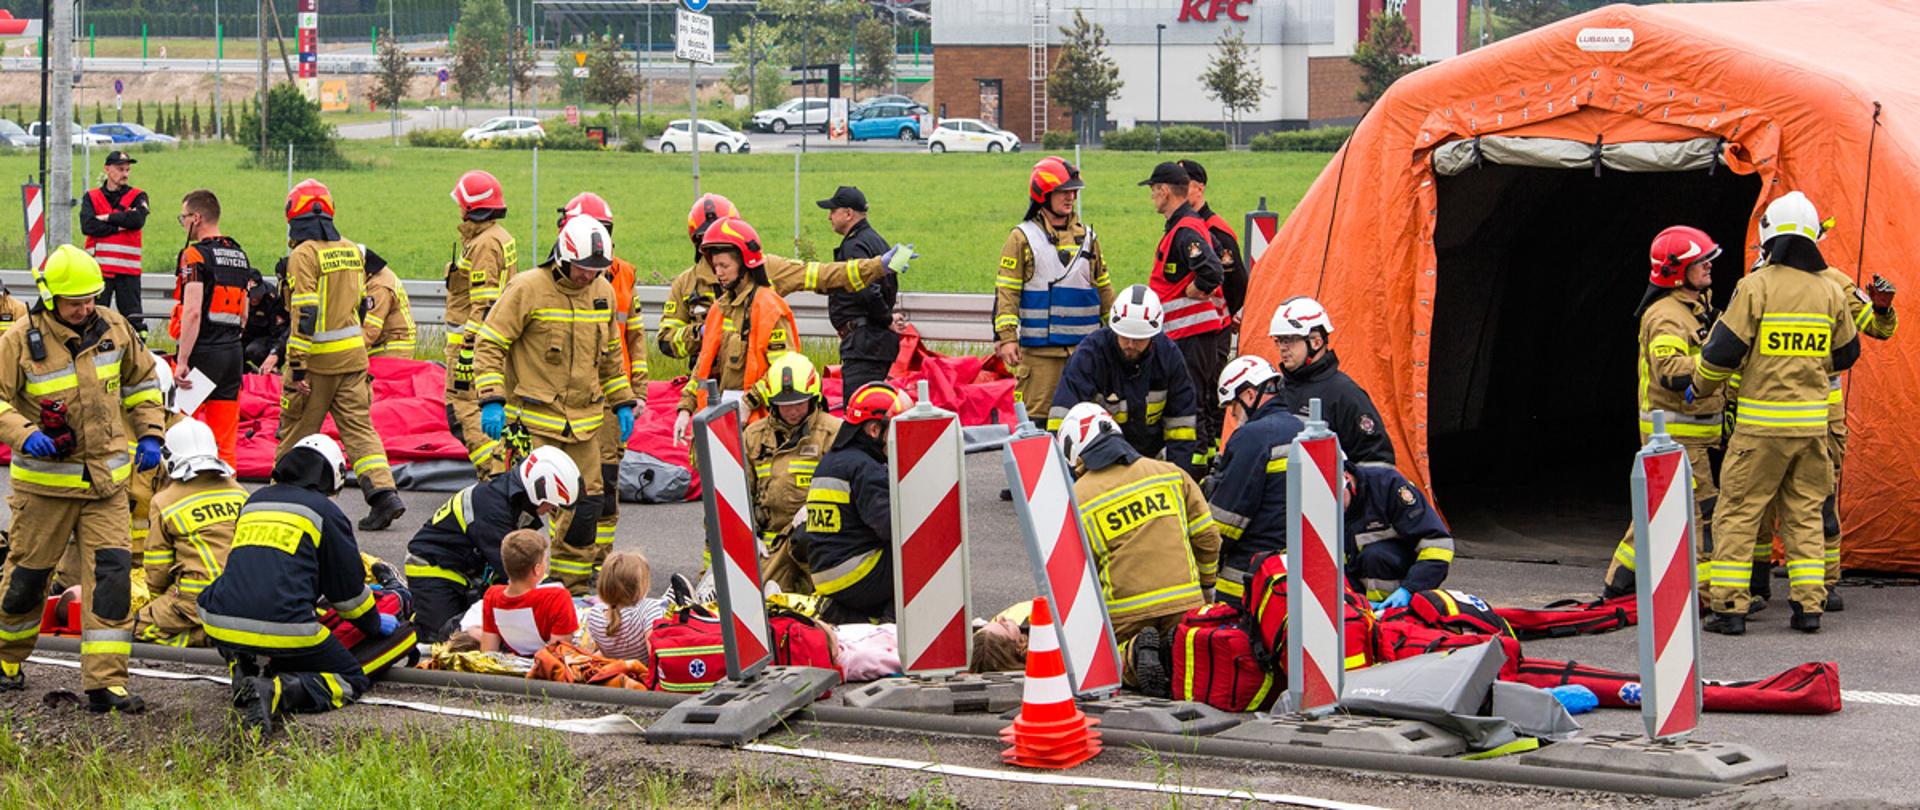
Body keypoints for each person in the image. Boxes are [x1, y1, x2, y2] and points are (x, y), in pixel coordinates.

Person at [0, 245, 166, 712]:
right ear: (50, 298)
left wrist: (151, 432)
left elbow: (143, 383)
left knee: (111, 584)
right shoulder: (18, 341)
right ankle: (6, 661)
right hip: (45, 490)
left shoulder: (115, 328)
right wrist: (24, 433)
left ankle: (106, 684)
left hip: (106, 488)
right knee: (26, 583)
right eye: (76, 301)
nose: (85, 307)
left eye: (91, 298)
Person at [1690, 191, 1860, 635]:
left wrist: (1699, 387)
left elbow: (1722, 352)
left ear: (1771, 236)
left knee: (1739, 512)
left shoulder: (1756, 286)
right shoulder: (1829, 289)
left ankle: (1729, 608)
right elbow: (1846, 354)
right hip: (1811, 429)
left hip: (1760, 431)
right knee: (1805, 515)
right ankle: (1809, 608)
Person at [1748, 201, 1899, 613]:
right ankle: (1755, 582)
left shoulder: (1833, 283)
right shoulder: (1756, 281)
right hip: (1766, 410)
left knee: (1818, 501)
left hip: (1820, 415)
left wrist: (1882, 306)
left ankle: (1824, 585)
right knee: (1757, 502)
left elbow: (1876, 329)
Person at [473, 215, 634, 594]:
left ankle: (570, 585)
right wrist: (492, 400)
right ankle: (509, 584)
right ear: (563, 257)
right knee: (524, 506)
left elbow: (611, 355)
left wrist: (622, 401)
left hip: (585, 422)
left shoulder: (602, 292)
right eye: (582, 268)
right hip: (533, 422)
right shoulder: (527, 288)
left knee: (588, 504)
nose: (587, 276)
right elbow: (490, 344)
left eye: (596, 269)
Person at [198, 435, 394, 734]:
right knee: (351, 678)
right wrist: (373, 623)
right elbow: (347, 595)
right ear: (333, 476)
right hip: (286, 628)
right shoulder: (326, 512)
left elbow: (257, 572)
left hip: (219, 621)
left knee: (239, 604)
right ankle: (276, 690)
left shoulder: (255, 500)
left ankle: (242, 666)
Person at [1054, 402, 1218, 694]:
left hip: (1125, 615)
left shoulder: (1074, 500)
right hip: (1185, 603)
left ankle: (1133, 655)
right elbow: (1208, 538)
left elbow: (1074, 575)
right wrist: (1205, 592)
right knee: (1186, 648)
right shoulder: (1171, 473)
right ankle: (1172, 651)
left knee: (1095, 659)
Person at [275, 179, 407, 531]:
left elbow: (305, 312)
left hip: (316, 361)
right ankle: (383, 495)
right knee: (360, 430)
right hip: (354, 359)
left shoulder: (303, 255)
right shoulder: (351, 249)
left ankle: (278, 499)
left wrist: (299, 368)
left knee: (296, 431)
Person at [1602, 226, 1725, 600]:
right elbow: (1670, 370)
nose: (1708, 266)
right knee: (1702, 510)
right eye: (1699, 261)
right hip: (1677, 434)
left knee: (1656, 510)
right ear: (1677, 270)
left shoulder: (1694, 307)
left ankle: (1618, 582)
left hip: (1691, 432)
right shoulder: (1667, 316)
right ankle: (1706, 593)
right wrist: (1719, 358)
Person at [656, 193, 900, 361]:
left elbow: (823, 275)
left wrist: (878, 266)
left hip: (759, 379)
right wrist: (702, 333)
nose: (717, 254)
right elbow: (667, 342)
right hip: (707, 382)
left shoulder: (766, 268)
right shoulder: (686, 285)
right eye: (708, 243)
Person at [554, 193, 647, 576]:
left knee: (605, 483)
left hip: (611, 395)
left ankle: (599, 559)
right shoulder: (552, 280)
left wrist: (635, 392)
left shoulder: (622, 276)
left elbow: (634, 338)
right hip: (567, 397)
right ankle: (564, 556)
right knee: (563, 482)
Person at [404, 445, 582, 641]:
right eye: (551, 504)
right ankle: (411, 613)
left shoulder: (515, 503)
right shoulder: (491, 507)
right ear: (538, 489)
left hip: (471, 570)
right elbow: (516, 567)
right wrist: (554, 595)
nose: (550, 510)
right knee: (446, 637)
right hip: (434, 567)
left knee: (501, 624)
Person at [993, 157, 1115, 427]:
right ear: (1043, 194)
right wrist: (1007, 338)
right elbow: (1007, 293)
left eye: (1074, 191)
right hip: (1040, 358)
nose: (1071, 197)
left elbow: (1104, 290)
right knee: (1037, 425)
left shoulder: (1089, 238)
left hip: (1084, 353)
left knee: (1086, 425)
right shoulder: (1021, 238)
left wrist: (1119, 334)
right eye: (1063, 191)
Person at [1049, 285, 1205, 478]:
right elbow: (1063, 418)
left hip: (1148, 462)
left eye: (1139, 339)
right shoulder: (1090, 354)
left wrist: (1177, 479)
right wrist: (1063, 479)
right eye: (1125, 337)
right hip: (1098, 463)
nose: (1131, 345)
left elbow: (1181, 428)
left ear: (1153, 335)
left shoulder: (1169, 358)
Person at [671, 217, 802, 439]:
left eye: (724, 266)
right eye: (715, 266)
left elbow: (783, 371)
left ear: (744, 263)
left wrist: (749, 402)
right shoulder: (719, 310)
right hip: (721, 423)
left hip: (761, 429)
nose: (718, 273)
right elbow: (702, 369)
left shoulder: (769, 308)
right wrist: (685, 409)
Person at [1141, 161, 1230, 472]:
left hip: (1189, 334)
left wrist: (1198, 288)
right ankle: (1204, 467)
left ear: (1165, 191)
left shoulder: (1184, 230)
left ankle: (1194, 472)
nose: (1152, 197)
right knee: (1201, 402)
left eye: (1153, 191)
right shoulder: (1191, 224)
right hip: (1193, 334)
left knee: (1190, 402)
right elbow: (1219, 254)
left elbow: (1213, 268)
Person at [803, 382, 910, 624]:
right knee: (919, 552)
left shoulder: (832, 460)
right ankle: (892, 628)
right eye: (895, 428)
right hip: (854, 574)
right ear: (874, 430)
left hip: (824, 574)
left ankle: (852, 617)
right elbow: (892, 528)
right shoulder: (866, 469)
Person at [136, 417, 245, 647]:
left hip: (194, 599)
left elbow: (158, 567)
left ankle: (205, 638)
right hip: (242, 594)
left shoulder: (164, 501)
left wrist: (157, 603)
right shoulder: (238, 491)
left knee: (136, 627)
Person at [1207, 355, 1306, 606]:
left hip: (1249, 572)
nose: (1233, 413)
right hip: (1303, 565)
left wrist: (1204, 555)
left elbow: (1227, 519)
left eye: (1234, 405)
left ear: (1250, 395)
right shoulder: (1306, 431)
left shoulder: (1252, 437)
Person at [744, 354, 842, 594]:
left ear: (814, 398)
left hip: (818, 541)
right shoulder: (753, 437)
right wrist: (747, 534)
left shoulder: (833, 432)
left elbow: (850, 486)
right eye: (784, 404)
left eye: (799, 403)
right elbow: (740, 493)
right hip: (771, 546)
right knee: (759, 604)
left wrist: (818, 505)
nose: (792, 411)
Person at [171, 189, 251, 466]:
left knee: (180, 430)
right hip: (232, 356)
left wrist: (182, 360)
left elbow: (192, 313)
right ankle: (228, 495)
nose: (182, 224)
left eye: (183, 218)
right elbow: (244, 315)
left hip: (203, 355)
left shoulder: (194, 256)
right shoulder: (239, 254)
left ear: (196, 217)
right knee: (225, 440)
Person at [445, 170, 518, 474]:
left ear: (472, 207)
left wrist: (467, 351)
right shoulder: (498, 237)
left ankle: (494, 474)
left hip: (472, 344)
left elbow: (484, 304)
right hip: (491, 340)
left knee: (463, 410)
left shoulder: (484, 245)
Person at [1269, 296, 1395, 468]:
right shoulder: (1278, 390)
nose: (1283, 347)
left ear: (1316, 342)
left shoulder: (1345, 394)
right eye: (1279, 341)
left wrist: (1350, 487)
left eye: (1289, 339)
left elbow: (1377, 461)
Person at [819, 185, 900, 401]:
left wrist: (887, 318)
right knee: (871, 407)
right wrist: (887, 316)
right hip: (873, 343)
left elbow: (867, 289)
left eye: (833, 211)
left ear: (848, 213)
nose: (829, 217)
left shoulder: (855, 246)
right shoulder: (877, 240)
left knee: (858, 411)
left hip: (864, 344)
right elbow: (892, 285)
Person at [1344, 464, 1455, 610]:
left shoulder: (1388, 485)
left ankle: (1390, 613)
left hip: (1398, 577)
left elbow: (1438, 544)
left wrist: (1409, 589)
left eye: (1335, 499)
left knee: (1376, 555)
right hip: (1351, 592)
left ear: (1347, 479)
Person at [79, 151, 150, 334]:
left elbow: (137, 220)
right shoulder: (92, 197)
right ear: (107, 170)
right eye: (120, 169)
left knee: (134, 319)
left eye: (127, 170)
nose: (125, 174)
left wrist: (106, 218)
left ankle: (139, 351)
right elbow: (88, 226)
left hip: (128, 270)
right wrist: (119, 226)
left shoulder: (138, 195)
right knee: (94, 317)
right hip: (98, 270)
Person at [479, 529, 581, 656]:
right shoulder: (556, 597)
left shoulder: (492, 596)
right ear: (537, 569)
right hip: (545, 668)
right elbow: (559, 655)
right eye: (545, 560)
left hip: (513, 665)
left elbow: (488, 653)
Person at [1176, 159, 1247, 324]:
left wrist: (1223, 318)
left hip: (1210, 328)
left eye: (1183, 185)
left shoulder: (1216, 230)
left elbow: (1237, 284)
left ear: (1200, 188)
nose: (1177, 192)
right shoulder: (1181, 226)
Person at [582, 550, 668, 660]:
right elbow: (655, 655)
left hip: (617, 671)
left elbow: (605, 653)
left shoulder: (595, 615)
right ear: (641, 586)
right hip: (642, 672)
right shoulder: (649, 609)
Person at [359, 245, 418, 359]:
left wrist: (344, 352)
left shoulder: (379, 288)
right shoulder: (375, 277)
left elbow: (370, 330)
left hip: (391, 349)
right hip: (389, 344)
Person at [243, 266, 290, 372]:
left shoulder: (271, 298)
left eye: (257, 294)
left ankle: (270, 373)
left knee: (254, 350)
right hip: (245, 336)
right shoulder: (238, 297)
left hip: (267, 340)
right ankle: (249, 374)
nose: (255, 299)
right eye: (251, 295)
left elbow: (279, 333)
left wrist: (274, 354)